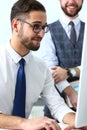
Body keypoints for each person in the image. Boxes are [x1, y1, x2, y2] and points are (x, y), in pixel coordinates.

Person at [0, 0, 83, 130]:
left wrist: (79, 122)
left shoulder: (41, 68)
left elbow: (57, 107)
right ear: (16, 25)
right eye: (36, 26)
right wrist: (25, 123)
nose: (42, 33)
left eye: (44, 27)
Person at [34, 0, 85, 118]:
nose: (71, 1)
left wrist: (69, 72)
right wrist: (72, 94)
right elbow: (52, 70)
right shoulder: (47, 30)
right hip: (55, 108)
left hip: (84, 106)